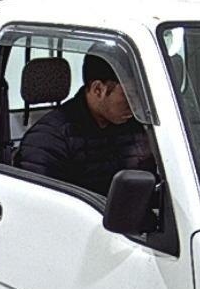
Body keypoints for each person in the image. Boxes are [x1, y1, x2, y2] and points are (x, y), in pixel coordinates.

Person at [17, 54, 156, 196]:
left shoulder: (137, 126)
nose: (136, 105)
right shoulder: (48, 140)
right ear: (98, 89)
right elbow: (44, 202)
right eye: (131, 96)